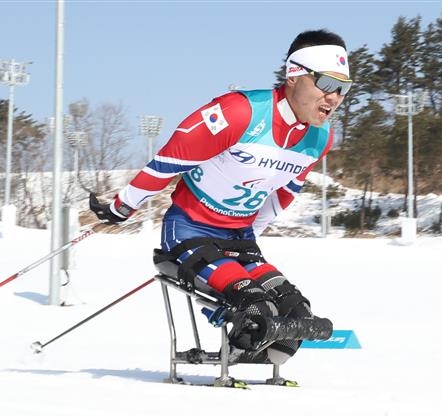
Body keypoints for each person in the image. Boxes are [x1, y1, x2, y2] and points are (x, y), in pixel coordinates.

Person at [90, 29, 352, 365]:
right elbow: (169, 161)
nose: (334, 98)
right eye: (327, 84)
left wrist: (249, 236)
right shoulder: (239, 112)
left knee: (295, 316)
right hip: (190, 231)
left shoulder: (319, 138)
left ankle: (249, 358)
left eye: (343, 89)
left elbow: (283, 194)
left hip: (240, 241)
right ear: (293, 74)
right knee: (258, 308)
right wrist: (121, 206)